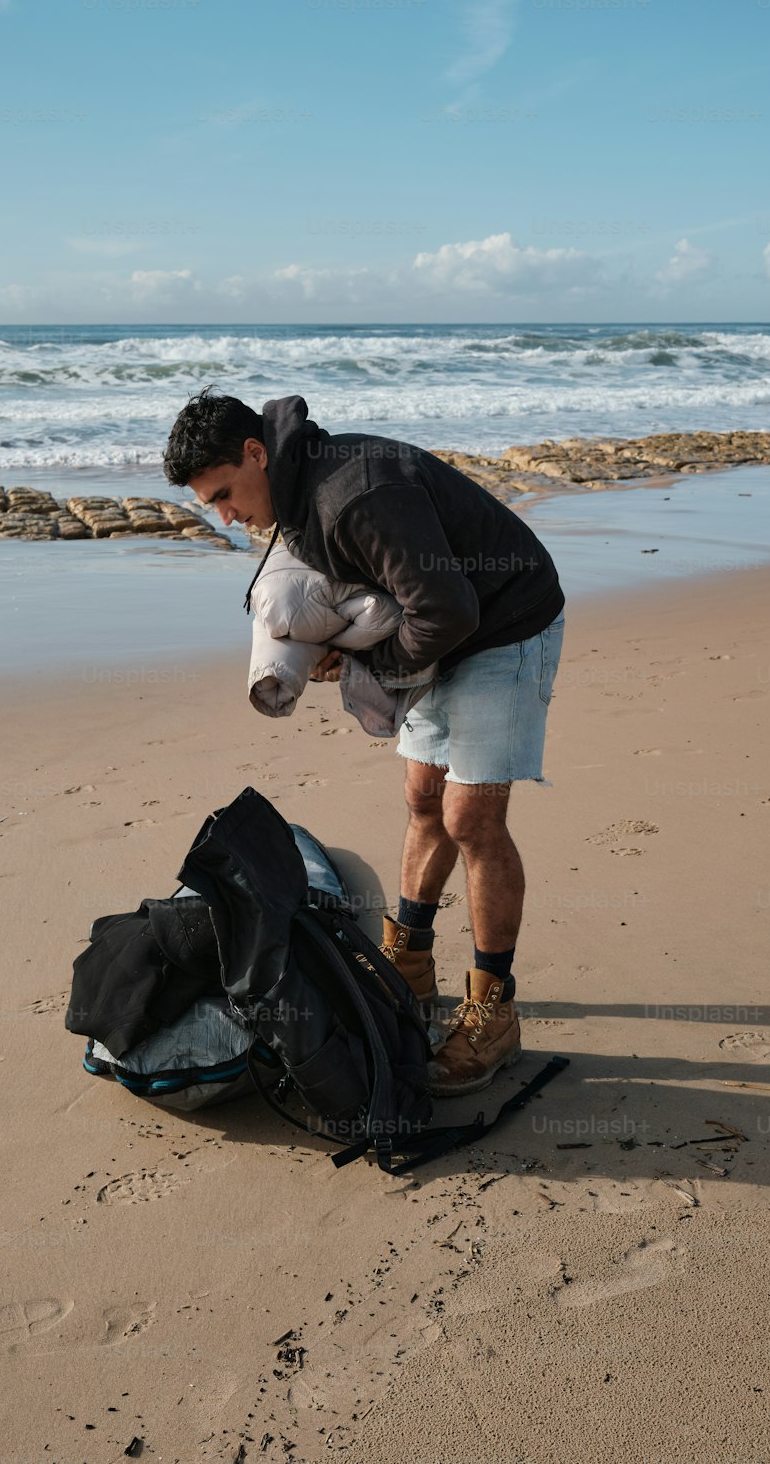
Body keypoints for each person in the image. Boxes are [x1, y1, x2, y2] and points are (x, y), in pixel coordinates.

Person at [163, 388, 565, 1096]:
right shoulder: (296, 487)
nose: (224, 515)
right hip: (442, 626)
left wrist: (364, 667)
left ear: (257, 452)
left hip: (505, 621)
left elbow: (448, 609)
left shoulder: (354, 495)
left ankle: (493, 1012)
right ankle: (407, 965)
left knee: (472, 817)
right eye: (210, 505)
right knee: (423, 797)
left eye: (225, 493)